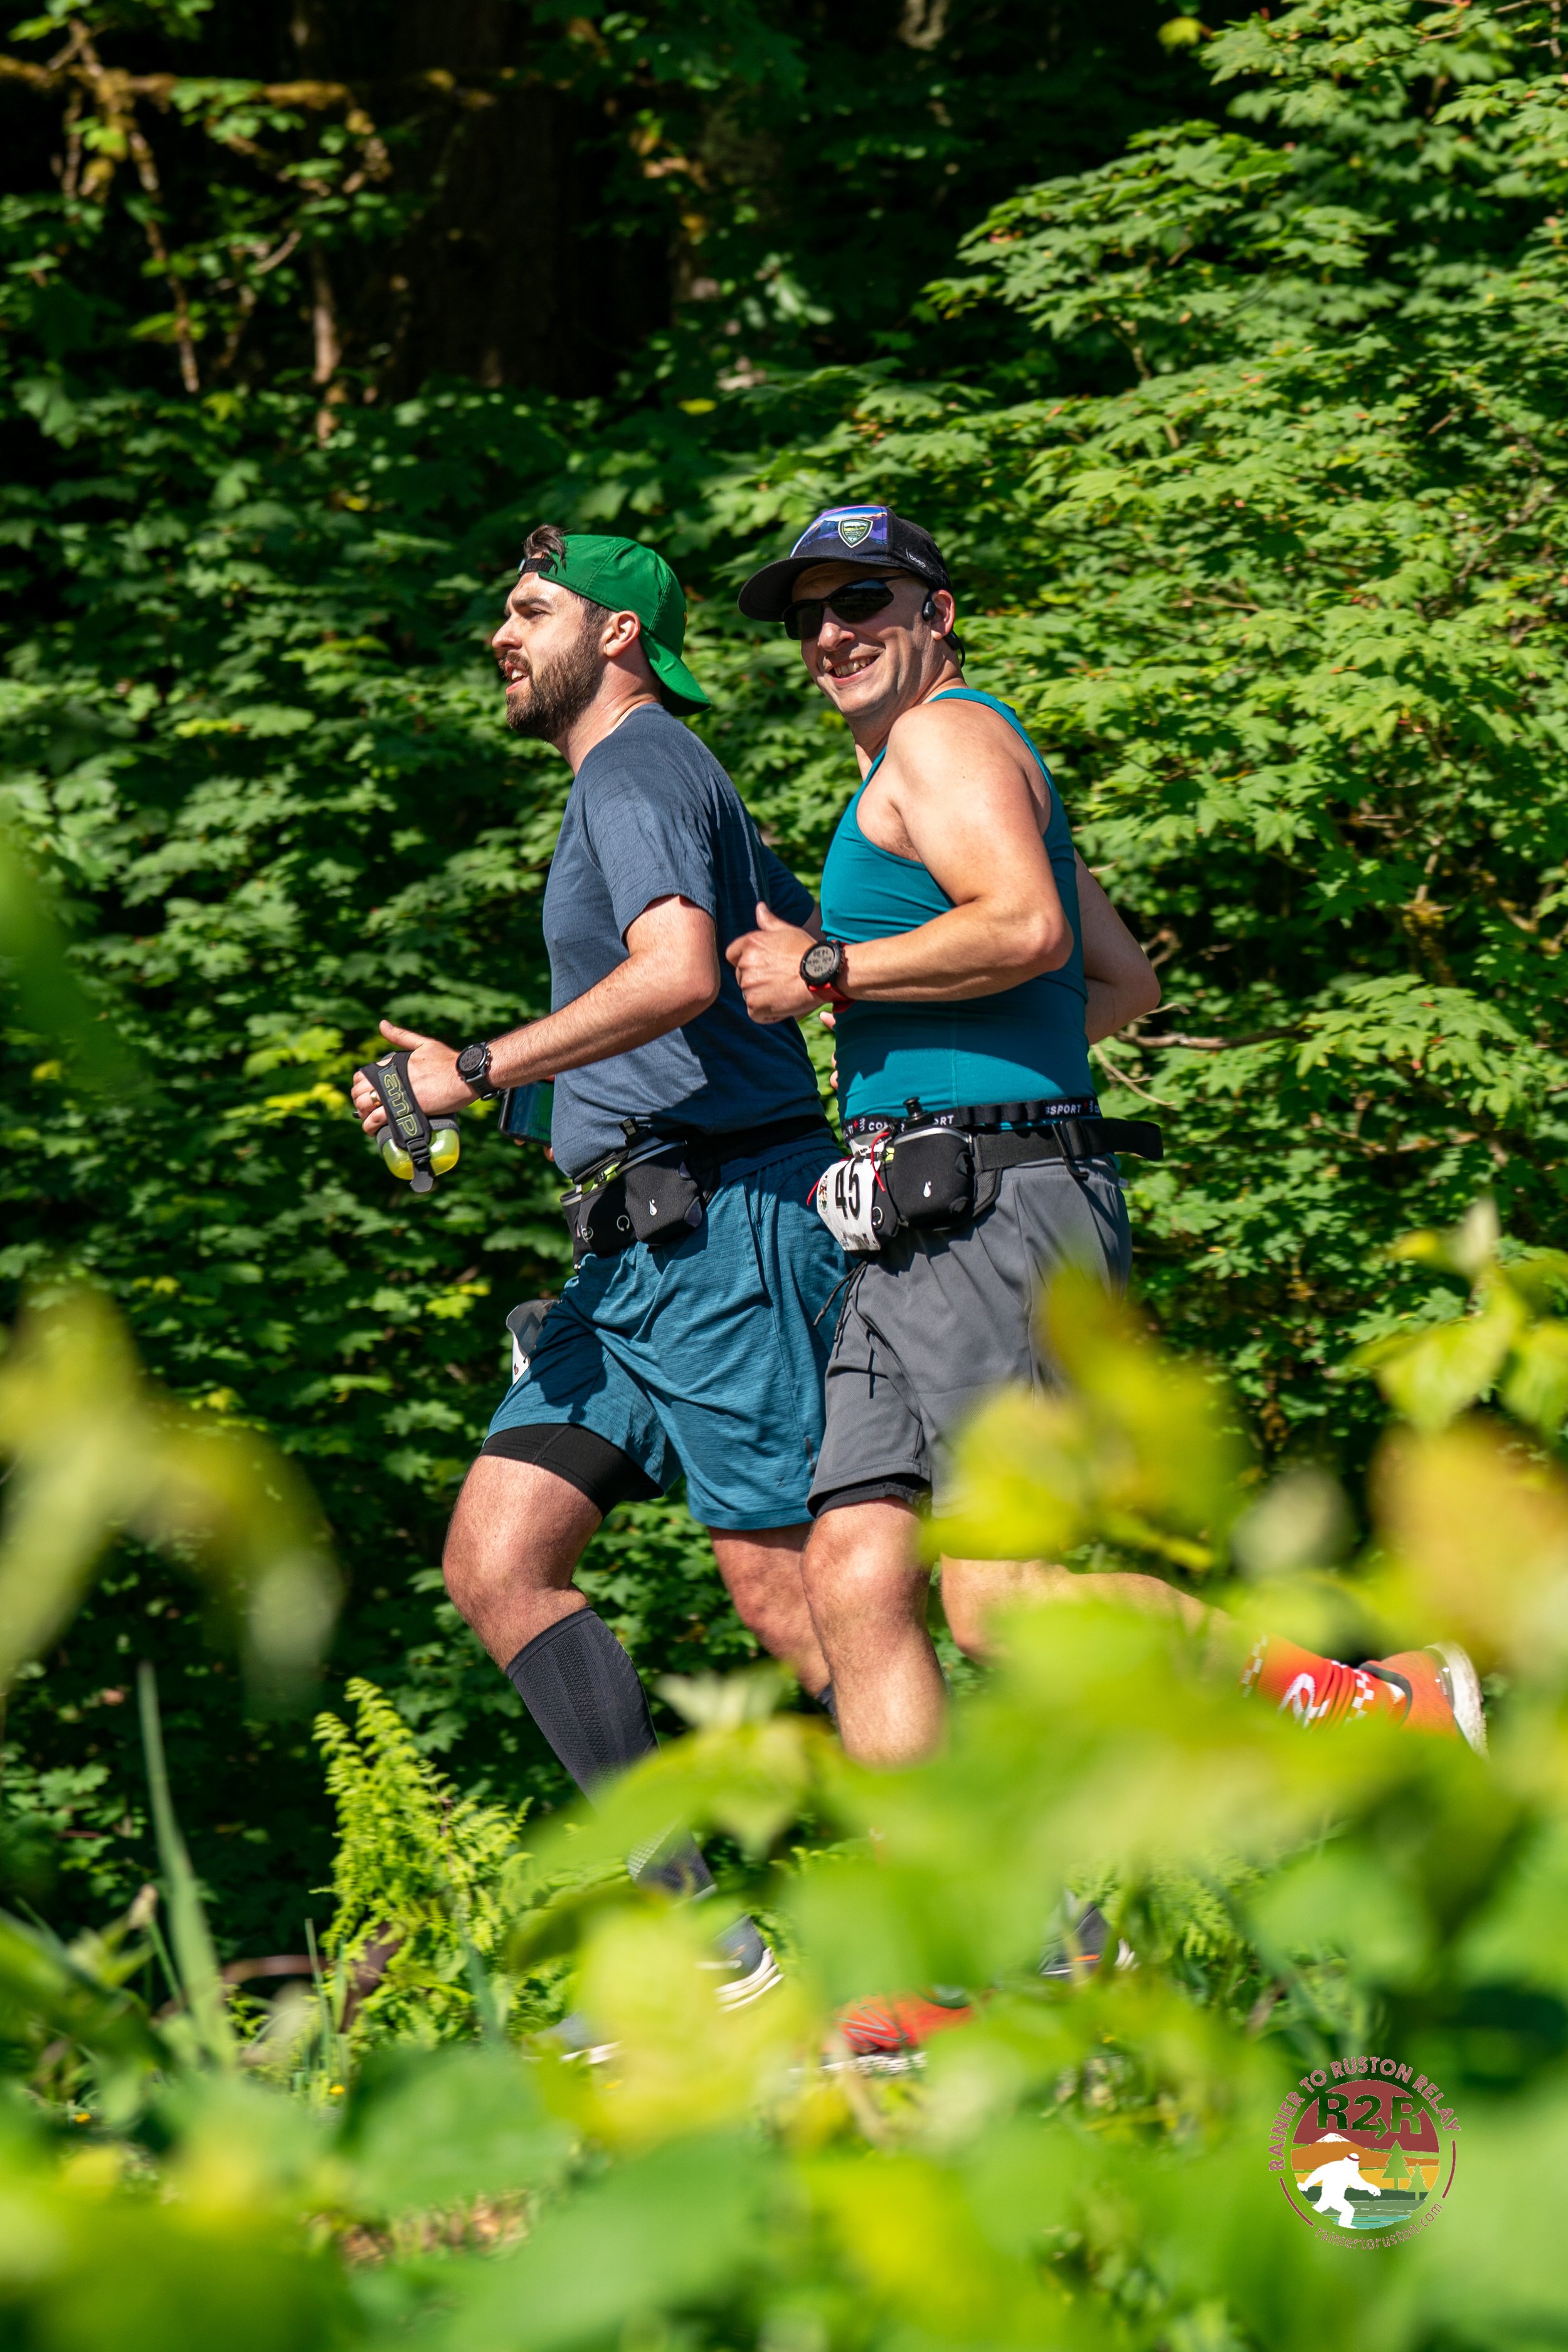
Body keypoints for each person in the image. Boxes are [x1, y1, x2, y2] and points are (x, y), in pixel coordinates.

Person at [728, 504, 1485, 1782]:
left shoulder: (945, 736)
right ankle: (952, 1951)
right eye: (808, 616)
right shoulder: (919, 766)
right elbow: (1117, 982)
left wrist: (825, 967)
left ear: (936, 615)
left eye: (861, 602)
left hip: (986, 1209)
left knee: (1002, 1606)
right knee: (852, 1577)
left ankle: (1366, 1706)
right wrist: (974, 1046)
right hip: (914, 1215)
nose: (830, 633)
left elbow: (1023, 928)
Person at [351, 526, 847, 2003]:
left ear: (618, 634)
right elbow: (676, 1047)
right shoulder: (628, 788)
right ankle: (715, 1953)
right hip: (626, 1265)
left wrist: (482, 1061)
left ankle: (1043, 1929)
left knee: (803, 1605)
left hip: (725, 1238)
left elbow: (679, 975)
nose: (499, 635)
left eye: (528, 610)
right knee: (498, 1561)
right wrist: (488, 1093)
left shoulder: (636, 768)